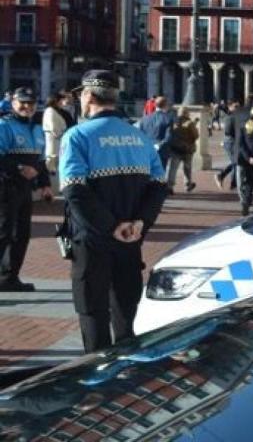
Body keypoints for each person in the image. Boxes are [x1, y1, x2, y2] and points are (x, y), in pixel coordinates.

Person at [60, 70, 167, 352]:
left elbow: (74, 190)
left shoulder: (77, 136)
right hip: (131, 239)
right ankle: (126, 367)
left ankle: (97, 371)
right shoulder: (140, 137)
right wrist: (140, 223)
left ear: (87, 96)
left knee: (92, 310)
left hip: (93, 240)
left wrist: (110, 227)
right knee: (126, 310)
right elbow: (158, 187)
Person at [0, 88, 53, 292]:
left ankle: (9, 278)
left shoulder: (37, 128)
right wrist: (19, 168)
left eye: (31, 103)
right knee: (3, 233)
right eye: (22, 102)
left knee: (21, 234)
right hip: (5, 186)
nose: (27, 106)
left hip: (24, 189)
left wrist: (45, 185)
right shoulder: (4, 125)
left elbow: (40, 160)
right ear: (13, 103)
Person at [166, 108, 198, 194]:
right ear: (187, 113)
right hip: (187, 149)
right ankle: (188, 184)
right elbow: (196, 135)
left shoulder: (174, 123)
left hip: (175, 148)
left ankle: (169, 185)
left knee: (173, 168)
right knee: (187, 168)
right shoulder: (189, 123)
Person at [42, 92, 74, 178]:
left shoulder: (58, 111)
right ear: (56, 101)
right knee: (52, 162)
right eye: (61, 100)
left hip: (59, 142)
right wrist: (65, 133)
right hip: (54, 142)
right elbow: (55, 129)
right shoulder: (50, 111)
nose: (63, 102)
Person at [137, 96, 174, 168]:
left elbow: (140, 136)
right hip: (161, 152)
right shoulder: (168, 119)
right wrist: (158, 146)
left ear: (155, 105)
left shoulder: (145, 118)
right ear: (165, 105)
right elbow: (168, 137)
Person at [215, 100, 239, 190]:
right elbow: (228, 131)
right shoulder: (230, 116)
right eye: (235, 107)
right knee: (236, 162)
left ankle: (224, 177)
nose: (237, 108)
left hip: (233, 141)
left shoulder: (235, 116)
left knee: (236, 162)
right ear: (230, 107)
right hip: (230, 142)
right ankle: (232, 183)